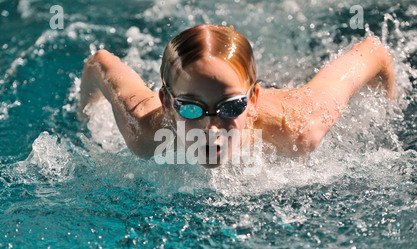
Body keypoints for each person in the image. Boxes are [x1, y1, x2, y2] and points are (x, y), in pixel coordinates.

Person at [79, 24, 395, 168]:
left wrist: (388, 116)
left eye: (231, 107)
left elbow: (374, 51)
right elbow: (99, 62)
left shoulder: (300, 125)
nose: (211, 129)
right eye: (190, 108)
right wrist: (84, 117)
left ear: (253, 100)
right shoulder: (143, 132)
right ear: (167, 104)